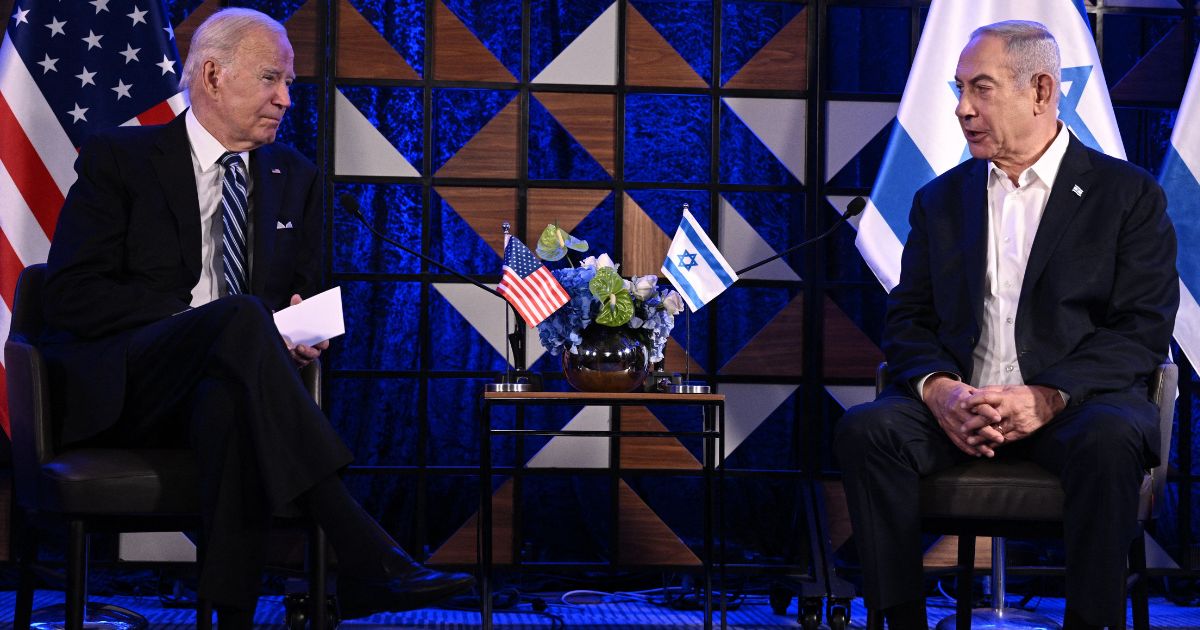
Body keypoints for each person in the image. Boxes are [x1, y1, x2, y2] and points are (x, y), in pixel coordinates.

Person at [38, 8, 473, 627]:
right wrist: (209, 317)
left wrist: (301, 333)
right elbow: (71, 296)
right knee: (239, 318)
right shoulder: (120, 157)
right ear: (212, 75)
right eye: (272, 79)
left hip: (236, 384)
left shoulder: (293, 176)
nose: (286, 99)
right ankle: (366, 553)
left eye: (289, 83)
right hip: (132, 383)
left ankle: (229, 616)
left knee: (227, 396)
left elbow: (305, 298)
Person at [834, 20, 1177, 630]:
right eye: (958, 88)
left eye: (981, 89)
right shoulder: (939, 200)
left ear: (1041, 90)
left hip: (1076, 407)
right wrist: (941, 391)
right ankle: (901, 621)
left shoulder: (1128, 196)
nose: (962, 109)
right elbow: (908, 319)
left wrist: (1047, 396)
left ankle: (1091, 624)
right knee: (869, 430)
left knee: (1111, 439)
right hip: (962, 406)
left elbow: (1140, 330)